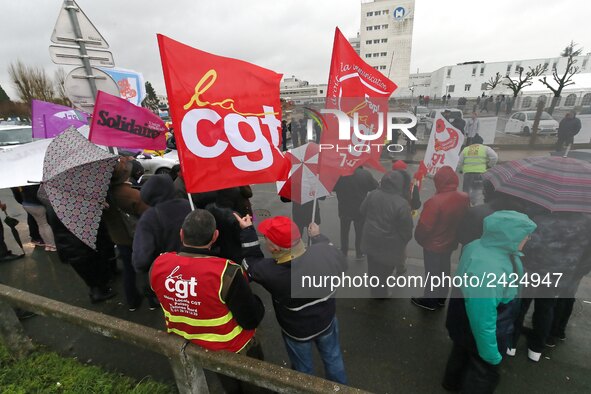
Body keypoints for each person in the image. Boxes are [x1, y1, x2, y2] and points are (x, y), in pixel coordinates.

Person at [150, 209, 265, 392]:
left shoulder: (159, 264)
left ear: (181, 234)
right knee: (256, 387)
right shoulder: (226, 272)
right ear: (215, 236)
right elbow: (250, 319)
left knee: (230, 386)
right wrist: (257, 302)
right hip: (234, 346)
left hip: (192, 342)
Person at [237, 214, 348, 384]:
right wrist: (318, 237)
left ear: (274, 249)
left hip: (297, 331)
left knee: (303, 371)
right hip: (327, 320)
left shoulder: (270, 273)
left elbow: (250, 263)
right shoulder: (327, 251)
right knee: (334, 359)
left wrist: (248, 231)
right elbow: (338, 260)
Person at [443, 211, 537, 393]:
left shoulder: (478, 246)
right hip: (483, 331)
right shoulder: (490, 270)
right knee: (482, 372)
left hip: (462, 323)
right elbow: (482, 318)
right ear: (510, 236)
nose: (528, 239)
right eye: (526, 235)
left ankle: (451, 383)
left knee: (460, 353)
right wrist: (491, 354)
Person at [509, 207, 591, 362]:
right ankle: (536, 349)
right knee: (546, 308)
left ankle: (511, 344)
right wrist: (575, 273)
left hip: (531, 270)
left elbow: (526, 243)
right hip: (560, 274)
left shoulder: (539, 215)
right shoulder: (587, 223)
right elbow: (587, 254)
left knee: (521, 305)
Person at [412, 166, 470, 310]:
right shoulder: (464, 197)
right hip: (450, 241)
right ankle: (441, 298)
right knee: (444, 270)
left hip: (433, 245)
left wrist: (420, 239)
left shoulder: (435, 201)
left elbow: (425, 227)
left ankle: (429, 300)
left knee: (432, 273)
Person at [132, 174, 192, 308]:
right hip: (192, 269)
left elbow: (141, 259)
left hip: (167, 276)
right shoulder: (187, 205)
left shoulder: (149, 218)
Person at [103, 159, 149, 311]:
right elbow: (148, 215)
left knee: (128, 270)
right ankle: (152, 300)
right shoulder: (132, 194)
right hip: (137, 238)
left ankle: (132, 301)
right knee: (145, 268)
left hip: (118, 238)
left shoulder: (102, 196)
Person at [360, 171, 414, 296]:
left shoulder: (373, 194)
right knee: (384, 272)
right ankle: (381, 294)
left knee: (372, 269)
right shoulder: (402, 204)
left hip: (370, 239)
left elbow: (362, 211)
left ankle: (375, 291)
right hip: (390, 246)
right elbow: (406, 230)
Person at [333, 166, 378, 258]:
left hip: (344, 208)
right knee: (360, 232)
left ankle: (344, 251)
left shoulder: (341, 174)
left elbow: (333, 187)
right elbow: (374, 187)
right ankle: (359, 252)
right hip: (360, 209)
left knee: (344, 231)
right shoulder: (365, 174)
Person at [457, 134, 499, 206]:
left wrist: (460, 170)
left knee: (466, 190)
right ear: (481, 142)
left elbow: (459, 162)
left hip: (468, 173)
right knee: (476, 190)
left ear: (472, 142)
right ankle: (474, 204)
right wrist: (489, 165)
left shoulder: (466, 149)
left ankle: (465, 205)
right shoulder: (485, 148)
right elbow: (495, 157)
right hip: (480, 173)